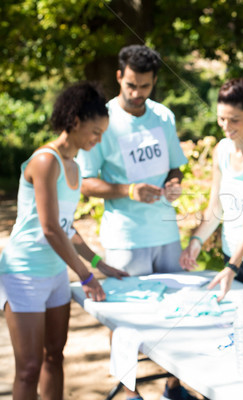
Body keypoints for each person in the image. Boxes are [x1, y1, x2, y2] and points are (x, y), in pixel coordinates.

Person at [75, 45, 193, 400]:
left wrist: (173, 183)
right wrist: (128, 191)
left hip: (166, 231)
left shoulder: (164, 116)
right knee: (125, 319)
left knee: (177, 313)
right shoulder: (103, 119)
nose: (136, 93)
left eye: (144, 86)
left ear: (154, 81)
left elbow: (175, 164)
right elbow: (85, 181)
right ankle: (129, 392)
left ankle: (174, 386)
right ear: (119, 77)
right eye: (130, 85)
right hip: (125, 237)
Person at [0, 82, 128, 400]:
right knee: (28, 369)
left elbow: (67, 228)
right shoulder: (45, 161)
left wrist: (101, 264)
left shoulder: (75, 166)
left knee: (55, 357)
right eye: (95, 132)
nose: (98, 139)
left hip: (55, 274)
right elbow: (49, 229)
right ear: (75, 121)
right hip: (23, 273)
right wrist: (85, 275)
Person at [179, 78, 243, 300]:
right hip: (231, 255)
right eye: (221, 119)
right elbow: (215, 208)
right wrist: (196, 242)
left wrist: (233, 267)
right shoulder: (221, 150)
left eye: (234, 120)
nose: (226, 126)